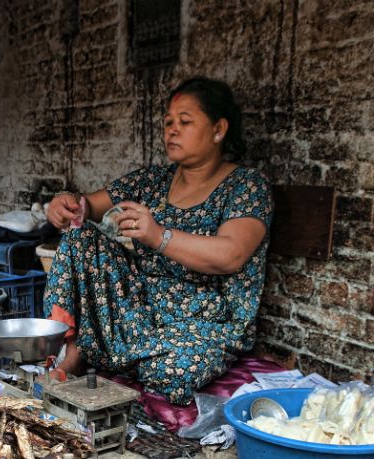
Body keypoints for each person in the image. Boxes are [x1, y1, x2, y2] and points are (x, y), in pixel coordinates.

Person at [44, 76, 272, 405]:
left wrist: (158, 236)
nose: (172, 130)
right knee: (80, 239)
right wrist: (66, 204)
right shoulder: (153, 180)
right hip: (141, 307)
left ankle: (107, 349)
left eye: (185, 121)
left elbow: (231, 255)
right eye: (168, 123)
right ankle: (77, 352)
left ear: (219, 129)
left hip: (203, 318)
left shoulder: (246, 186)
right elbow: (87, 206)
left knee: (175, 370)